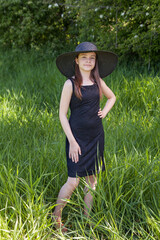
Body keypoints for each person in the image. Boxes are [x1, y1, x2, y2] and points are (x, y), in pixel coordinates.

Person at [53, 42, 118, 231]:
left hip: (96, 136)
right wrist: (72, 142)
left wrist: (104, 111)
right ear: (77, 60)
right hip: (77, 139)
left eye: (92, 58)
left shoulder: (98, 82)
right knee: (73, 181)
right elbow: (62, 115)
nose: (88, 61)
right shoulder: (70, 83)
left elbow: (112, 97)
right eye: (84, 58)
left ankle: (87, 217)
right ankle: (56, 218)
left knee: (92, 180)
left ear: (95, 61)